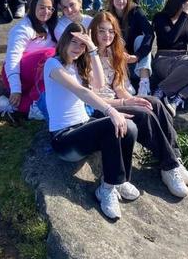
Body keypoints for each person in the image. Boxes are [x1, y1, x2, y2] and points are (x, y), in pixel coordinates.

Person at [89, 12, 188, 198]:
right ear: (93, 32)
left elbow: (118, 86)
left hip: (117, 100)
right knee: (143, 114)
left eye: (111, 31)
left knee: (154, 103)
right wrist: (127, 102)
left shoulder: (114, 52)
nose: (107, 36)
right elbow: (91, 95)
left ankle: (174, 158)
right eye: (101, 31)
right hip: (101, 107)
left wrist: (133, 99)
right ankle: (169, 167)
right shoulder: (87, 55)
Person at [43, 22, 137, 220]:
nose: (78, 47)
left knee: (130, 127)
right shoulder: (53, 65)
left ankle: (120, 180)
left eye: (82, 44)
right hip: (65, 138)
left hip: (84, 126)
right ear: (64, 41)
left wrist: (93, 49)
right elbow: (81, 91)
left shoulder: (78, 66)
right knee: (113, 124)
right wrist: (111, 111)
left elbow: (99, 84)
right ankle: (106, 188)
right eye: (74, 42)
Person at [2, 0, 58, 115]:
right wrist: (15, 89)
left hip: (36, 76)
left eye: (50, 8)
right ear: (33, 7)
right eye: (42, 7)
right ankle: (36, 101)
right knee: (51, 55)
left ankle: (11, 105)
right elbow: (12, 58)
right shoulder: (23, 28)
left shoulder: (51, 26)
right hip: (17, 74)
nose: (46, 12)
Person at [106, 0, 154, 96]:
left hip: (137, 63)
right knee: (114, 39)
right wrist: (119, 54)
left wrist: (136, 56)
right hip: (118, 62)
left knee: (141, 39)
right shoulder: (107, 15)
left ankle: (144, 85)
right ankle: (124, 83)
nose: (120, 1)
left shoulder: (136, 12)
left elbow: (150, 34)